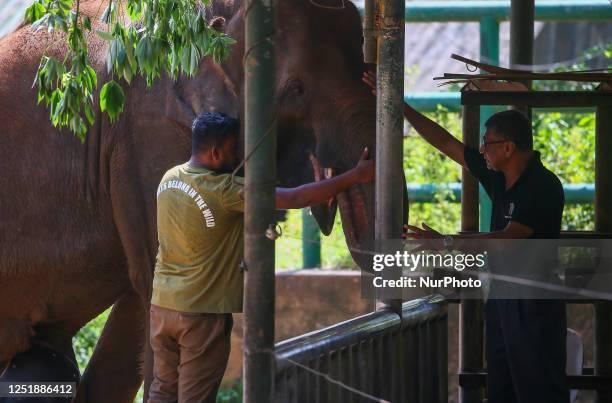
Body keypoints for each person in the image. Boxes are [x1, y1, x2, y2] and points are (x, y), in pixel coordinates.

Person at [363, 71, 568, 402]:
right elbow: (446, 143)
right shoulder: (498, 175)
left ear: (508, 148)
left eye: (488, 144)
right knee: (501, 386)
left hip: (534, 302)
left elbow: (509, 237)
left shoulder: (542, 186)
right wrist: (402, 108)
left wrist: (445, 242)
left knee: (538, 387)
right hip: (502, 294)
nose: (482, 151)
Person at [148, 111, 374, 403]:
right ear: (215, 151)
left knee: (161, 391)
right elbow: (295, 198)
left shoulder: (169, 178)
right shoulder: (224, 190)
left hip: (162, 306)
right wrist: (356, 176)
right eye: (232, 152)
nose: (237, 158)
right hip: (201, 315)